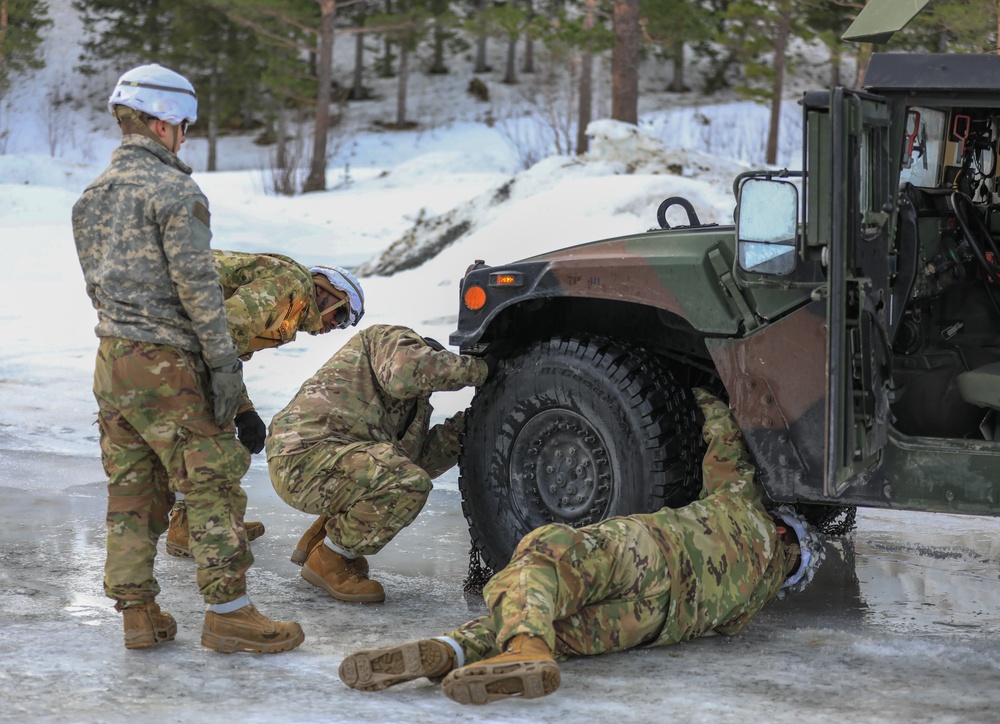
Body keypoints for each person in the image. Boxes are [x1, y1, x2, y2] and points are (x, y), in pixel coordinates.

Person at [337, 388, 825, 704]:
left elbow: (724, 439)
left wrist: (700, 389)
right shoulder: (750, 607)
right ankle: (454, 651)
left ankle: (508, 647)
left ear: (783, 530)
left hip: (648, 554)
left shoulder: (745, 509)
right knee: (555, 628)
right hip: (654, 624)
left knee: (545, 554)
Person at [72, 63, 303, 653]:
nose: (185, 138)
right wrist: (226, 369)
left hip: (111, 361)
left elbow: (98, 287)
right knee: (211, 486)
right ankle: (230, 614)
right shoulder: (176, 193)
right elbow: (199, 292)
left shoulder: (90, 197)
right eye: (184, 127)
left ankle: (138, 614)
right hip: (168, 365)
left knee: (131, 491)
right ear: (163, 121)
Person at [266, 324, 490, 603]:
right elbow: (406, 372)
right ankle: (329, 557)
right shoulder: (389, 341)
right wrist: (485, 370)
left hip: (326, 459)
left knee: (402, 472)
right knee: (407, 482)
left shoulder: (412, 408)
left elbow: (419, 459)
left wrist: (477, 420)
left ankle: (318, 540)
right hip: (304, 454)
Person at [165, 251, 365, 558]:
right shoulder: (291, 288)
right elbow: (217, 334)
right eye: (339, 317)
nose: (332, 328)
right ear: (326, 294)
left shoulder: (290, 309)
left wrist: (243, 410)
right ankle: (189, 527)